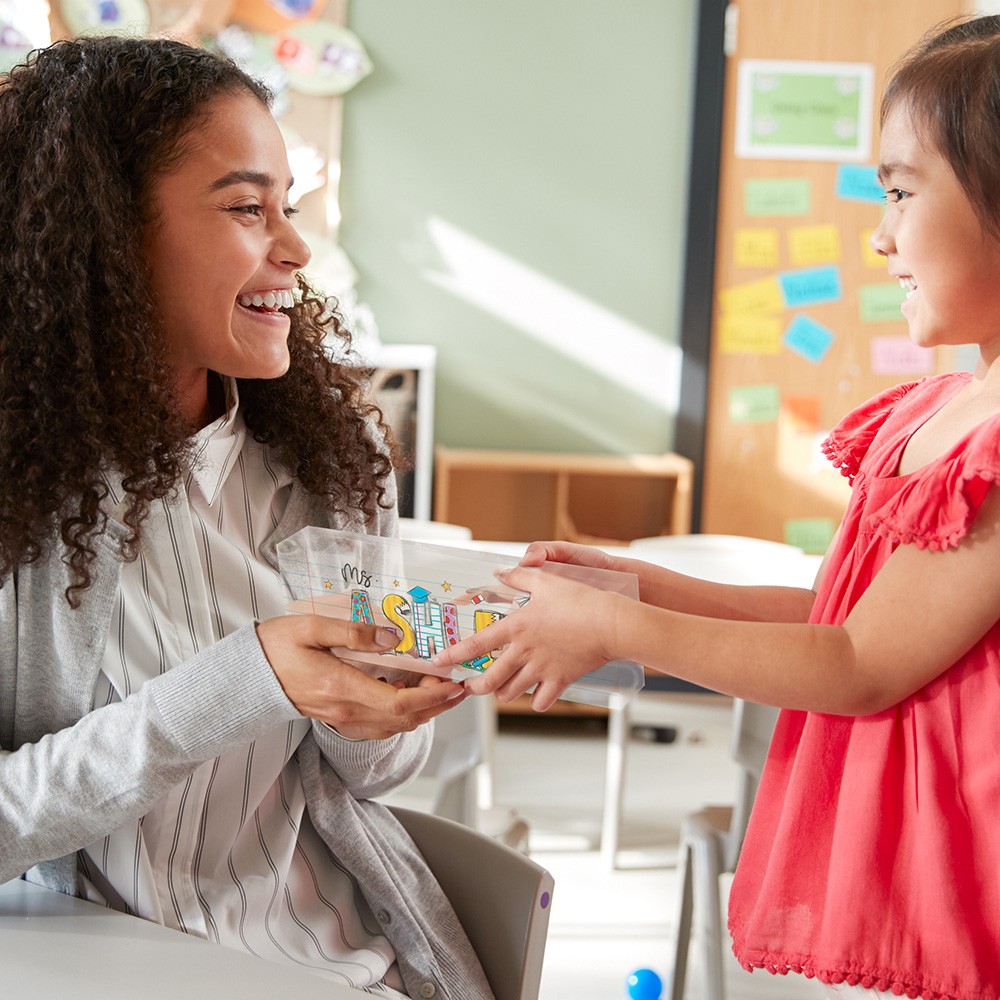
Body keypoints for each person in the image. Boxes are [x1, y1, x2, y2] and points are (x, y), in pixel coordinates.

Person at [433, 15, 1000, 999]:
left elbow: (860, 667)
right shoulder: (944, 406)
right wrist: (639, 581)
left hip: (955, 864)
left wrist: (617, 623)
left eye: (901, 192)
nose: (877, 234)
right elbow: (840, 621)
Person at [0, 35, 493, 1000]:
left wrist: (393, 689)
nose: (295, 248)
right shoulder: (22, 489)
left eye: (290, 207)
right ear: (105, 236)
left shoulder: (326, 455)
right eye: (245, 207)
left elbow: (374, 775)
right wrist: (244, 679)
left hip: (331, 967)